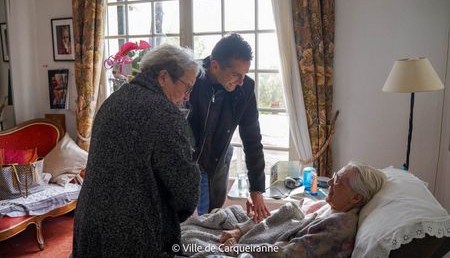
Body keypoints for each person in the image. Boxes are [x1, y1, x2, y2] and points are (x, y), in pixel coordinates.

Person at [72, 44, 203, 257]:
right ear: (163, 76)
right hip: (133, 232)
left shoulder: (113, 101)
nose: (187, 95)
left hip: (90, 220)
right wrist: (179, 212)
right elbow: (184, 187)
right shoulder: (165, 113)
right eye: (187, 87)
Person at [217, 162, 386, 257]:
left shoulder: (338, 228)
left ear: (355, 198)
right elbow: (286, 216)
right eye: (333, 177)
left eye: (338, 181)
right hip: (254, 238)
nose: (329, 183)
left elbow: (286, 255)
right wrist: (240, 231)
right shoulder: (331, 205)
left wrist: (238, 249)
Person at [187, 33, 270, 222]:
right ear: (215, 66)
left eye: (244, 74)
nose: (241, 81)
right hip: (185, 164)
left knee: (209, 223)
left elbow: (252, 139)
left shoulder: (245, 88)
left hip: (215, 164)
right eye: (236, 74)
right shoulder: (190, 76)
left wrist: (256, 189)